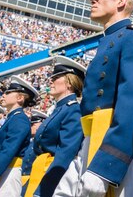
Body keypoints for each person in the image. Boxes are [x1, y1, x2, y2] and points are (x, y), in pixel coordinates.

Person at [61, 0, 133, 196]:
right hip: (91, 140)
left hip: (117, 147)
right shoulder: (108, 40)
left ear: (121, 2)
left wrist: (106, 166)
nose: (92, 0)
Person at [25, 57, 85, 197]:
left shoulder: (73, 109)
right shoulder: (60, 108)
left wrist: (44, 188)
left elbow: (66, 151)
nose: (50, 81)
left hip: (54, 176)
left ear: (69, 83)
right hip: (41, 169)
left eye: (56, 77)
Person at [0, 76, 38, 196]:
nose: (3, 95)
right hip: (3, 171)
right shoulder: (13, 118)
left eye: (8, 92)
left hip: (8, 173)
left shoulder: (19, 119)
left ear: (20, 98)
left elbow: (7, 153)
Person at [21, 109, 48, 190]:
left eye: (33, 124)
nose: (30, 127)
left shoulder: (43, 143)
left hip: (32, 181)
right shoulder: (28, 140)